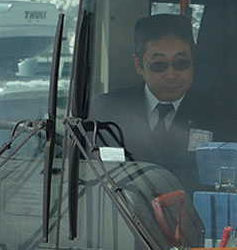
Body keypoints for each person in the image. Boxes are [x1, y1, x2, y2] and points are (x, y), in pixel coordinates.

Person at [91, 13, 217, 187]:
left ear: (193, 62)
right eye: (159, 65)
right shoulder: (106, 111)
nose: (171, 75)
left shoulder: (219, 114)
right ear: (139, 65)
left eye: (181, 63)